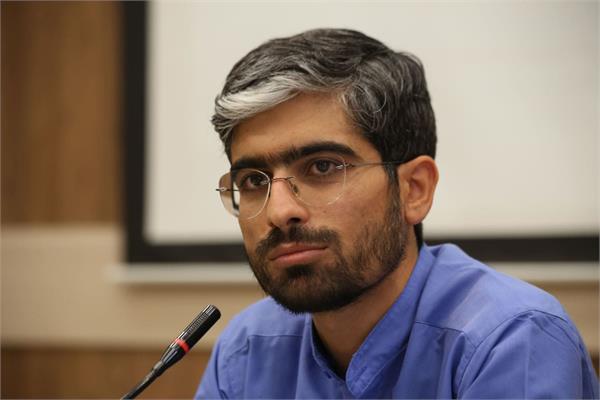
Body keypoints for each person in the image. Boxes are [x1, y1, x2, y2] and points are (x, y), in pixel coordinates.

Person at [196, 28, 598, 398]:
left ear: (414, 190)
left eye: (323, 167)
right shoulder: (245, 351)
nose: (280, 211)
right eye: (253, 180)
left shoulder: (511, 339)